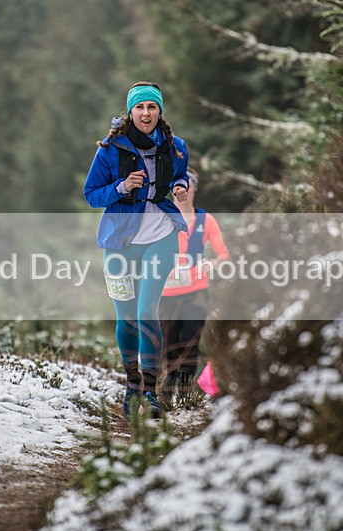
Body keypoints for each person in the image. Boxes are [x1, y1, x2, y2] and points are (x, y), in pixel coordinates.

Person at [84, 81, 189, 420]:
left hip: (161, 234)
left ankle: (150, 390)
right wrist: (121, 186)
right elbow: (91, 195)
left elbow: (182, 175)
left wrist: (180, 187)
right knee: (127, 317)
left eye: (152, 107)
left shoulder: (176, 147)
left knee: (147, 310)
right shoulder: (110, 149)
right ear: (130, 112)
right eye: (140, 108)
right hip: (119, 241)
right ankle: (131, 387)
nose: (146, 113)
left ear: (160, 112)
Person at [160, 168, 229, 401]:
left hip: (196, 292)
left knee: (190, 342)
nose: (184, 192)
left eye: (189, 186)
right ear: (171, 191)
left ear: (195, 190)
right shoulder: (162, 218)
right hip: (166, 292)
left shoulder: (205, 220)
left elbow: (224, 255)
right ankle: (168, 391)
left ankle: (187, 393)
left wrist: (212, 264)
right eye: (179, 187)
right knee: (169, 345)